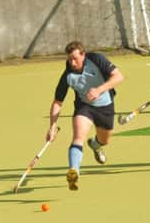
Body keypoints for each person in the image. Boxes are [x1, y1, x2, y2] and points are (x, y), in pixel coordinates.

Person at [46, 41, 124, 190]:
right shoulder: (68, 75)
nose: (72, 63)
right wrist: (52, 127)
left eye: (75, 59)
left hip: (105, 106)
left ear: (83, 55)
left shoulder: (96, 59)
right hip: (84, 107)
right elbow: (57, 102)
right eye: (70, 59)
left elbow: (118, 77)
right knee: (78, 137)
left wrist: (99, 90)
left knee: (104, 140)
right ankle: (74, 171)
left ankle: (95, 145)